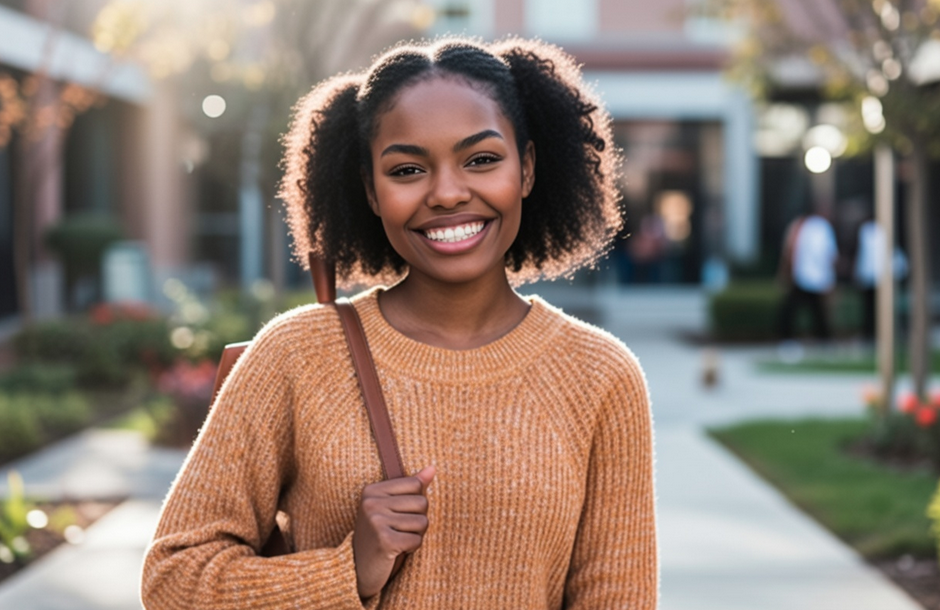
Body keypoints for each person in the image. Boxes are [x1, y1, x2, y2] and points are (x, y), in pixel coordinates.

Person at [141, 37, 657, 609]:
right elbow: (174, 580)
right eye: (407, 169)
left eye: (481, 160)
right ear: (371, 189)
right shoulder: (295, 354)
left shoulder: (600, 376)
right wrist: (347, 573)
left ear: (528, 168)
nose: (447, 193)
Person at [777, 210, 839, 342]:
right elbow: (829, 255)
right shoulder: (818, 227)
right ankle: (823, 338)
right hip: (808, 277)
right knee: (810, 310)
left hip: (808, 277)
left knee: (812, 310)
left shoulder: (806, 226)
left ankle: (823, 338)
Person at [853, 216, 908, 341]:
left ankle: (884, 333)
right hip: (871, 275)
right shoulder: (867, 231)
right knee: (871, 307)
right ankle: (871, 334)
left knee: (882, 307)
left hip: (881, 276)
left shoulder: (883, 230)